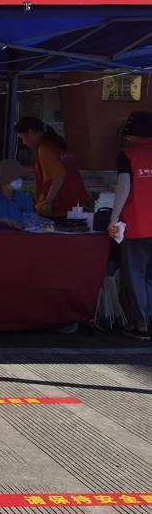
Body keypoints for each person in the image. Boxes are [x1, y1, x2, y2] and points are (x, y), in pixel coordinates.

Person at [108, 111, 152, 341]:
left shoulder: (128, 155)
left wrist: (114, 218)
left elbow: (124, 186)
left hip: (137, 225)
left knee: (135, 276)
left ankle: (142, 325)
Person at [15, 116, 88, 218]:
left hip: (62, 205)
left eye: (22, 138)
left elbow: (59, 176)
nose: (24, 142)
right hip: (74, 204)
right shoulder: (55, 145)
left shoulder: (44, 149)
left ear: (30, 132)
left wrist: (48, 202)